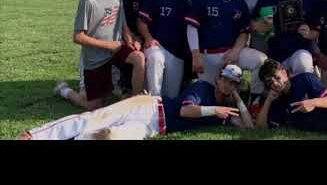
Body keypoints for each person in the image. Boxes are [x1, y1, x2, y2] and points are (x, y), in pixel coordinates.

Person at [19, 65, 253, 140]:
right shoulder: (204, 88)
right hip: (148, 106)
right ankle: (35, 135)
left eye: (234, 84)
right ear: (218, 78)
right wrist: (216, 109)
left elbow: (249, 128)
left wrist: (239, 101)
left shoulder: (227, 107)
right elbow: (185, 111)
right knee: (91, 118)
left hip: (153, 128)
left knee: (110, 136)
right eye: (226, 80)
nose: (228, 85)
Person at [55, 0, 145, 111]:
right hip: (96, 58)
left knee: (139, 58)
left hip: (115, 50)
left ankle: (134, 104)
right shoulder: (88, 1)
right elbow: (78, 37)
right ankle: (64, 91)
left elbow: (122, 24)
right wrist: (109, 45)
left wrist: (130, 39)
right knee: (94, 106)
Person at [185, 0, 267, 99]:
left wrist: (235, 51)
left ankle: (253, 102)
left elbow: (244, 32)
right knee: (210, 98)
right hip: (207, 55)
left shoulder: (239, 2)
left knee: (260, 60)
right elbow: (192, 28)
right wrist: (196, 54)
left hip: (231, 54)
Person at [138, 0, 195, 98]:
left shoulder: (194, 2)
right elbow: (141, 21)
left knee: (171, 96)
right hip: (157, 46)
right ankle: (152, 105)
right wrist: (148, 37)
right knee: (156, 59)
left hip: (177, 54)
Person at [251, 0, 315, 76]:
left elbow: (317, 30)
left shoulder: (307, 1)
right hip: (274, 55)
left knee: (303, 62)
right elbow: (251, 22)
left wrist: (310, 33)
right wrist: (255, 25)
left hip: (299, 51)